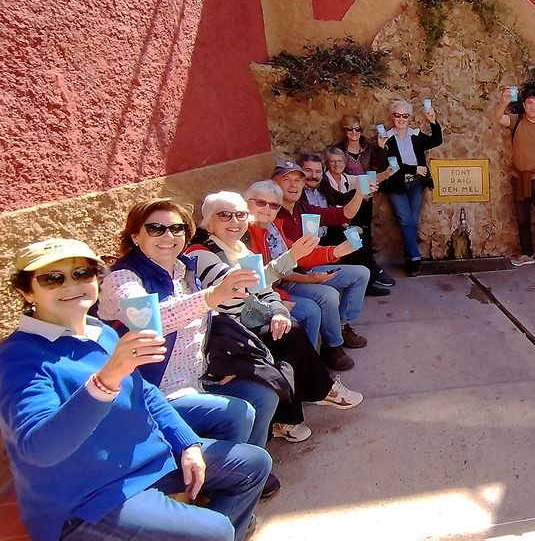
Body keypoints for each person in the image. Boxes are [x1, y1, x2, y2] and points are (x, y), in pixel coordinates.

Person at [2, 238, 270, 540]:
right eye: (52, 278)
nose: (71, 286)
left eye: (82, 274)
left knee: (253, 464)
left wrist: (186, 443)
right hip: (89, 497)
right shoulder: (18, 359)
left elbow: (144, 392)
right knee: (215, 530)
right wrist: (106, 380)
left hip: (148, 460)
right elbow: (39, 449)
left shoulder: (97, 329)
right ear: (27, 291)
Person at [96, 198, 284, 497]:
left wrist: (218, 363)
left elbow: (205, 323)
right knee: (238, 412)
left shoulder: (184, 269)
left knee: (263, 394)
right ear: (135, 236)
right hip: (152, 391)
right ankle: (229, 486)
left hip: (197, 379)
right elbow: (152, 321)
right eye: (156, 228)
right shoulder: (123, 279)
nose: (168, 236)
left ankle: (238, 471)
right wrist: (211, 296)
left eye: (177, 228)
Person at [186, 192, 365, 442]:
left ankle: (287, 420)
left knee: (287, 330)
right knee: (292, 333)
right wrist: (291, 257)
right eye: (225, 215)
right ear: (208, 221)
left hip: (247, 324)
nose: (234, 221)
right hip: (224, 337)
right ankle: (322, 390)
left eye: (239, 214)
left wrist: (278, 311)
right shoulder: (201, 253)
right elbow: (238, 286)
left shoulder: (240, 248)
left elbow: (264, 290)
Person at [245, 180, 365, 368]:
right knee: (317, 305)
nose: (267, 208)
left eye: (274, 205)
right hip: (268, 293)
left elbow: (295, 257)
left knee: (359, 275)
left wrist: (336, 252)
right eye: (261, 203)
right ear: (247, 203)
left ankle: (318, 357)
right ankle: (311, 364)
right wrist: (283, 297)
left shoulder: (274, 226)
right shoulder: (245, 235)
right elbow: (260, 280)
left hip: (280, 284)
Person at [272, 161, 373, 349]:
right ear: (274, 184)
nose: (293, 185)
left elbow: (341, 215)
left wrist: (359, 194)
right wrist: (330, 256)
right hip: (289, 276)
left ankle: (343, 326)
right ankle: (333, 346)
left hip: (310, 266)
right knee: (329, 295)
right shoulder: (271, 215)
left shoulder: (302, 208)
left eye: (297, 180)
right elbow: (287, 259)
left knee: (361, 273)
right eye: (286, 180)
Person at [489, 85, 535, 273]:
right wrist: (504, 101)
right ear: (524, 104)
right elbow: (497, 118)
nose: (533, 106)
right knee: (522, 218)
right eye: (529, 103)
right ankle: (527, 255)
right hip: (519, 177)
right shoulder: (517, 121)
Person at [304, 149, 393, 296]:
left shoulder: (324, 185)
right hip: (319, 235)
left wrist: (363, 192)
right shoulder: (317, 184)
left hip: (332, 228)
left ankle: (369, 279)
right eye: (332, 161)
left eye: (339, 161)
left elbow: (342, 197)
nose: (313, 176)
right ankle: (370, 277)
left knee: (361, 238)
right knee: (357, 238)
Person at [376, 99, 444, 276]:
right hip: (396, 186)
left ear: (409, 117)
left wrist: (432, 121)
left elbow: (437, 140)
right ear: (392, 117)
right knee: (406, 220)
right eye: (397, 115)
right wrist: (381, 148)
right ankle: (414, 258)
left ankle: (409, 257)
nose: (401, 119)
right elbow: (393, 167)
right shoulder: (387, 138)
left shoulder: (416, 134)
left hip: (416, 184)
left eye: (404, 116)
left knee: (412, 221)